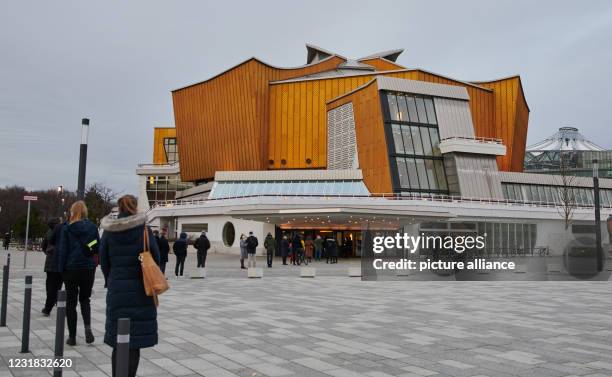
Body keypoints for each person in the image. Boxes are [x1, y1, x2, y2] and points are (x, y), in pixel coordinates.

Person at [99, 195, 160, 377]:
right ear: (135, 206)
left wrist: (112, 280)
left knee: (119, 339)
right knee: (133, 342)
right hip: (141, 289)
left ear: (119, 208)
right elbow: (155, 257)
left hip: (117, 288)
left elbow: (104, 261)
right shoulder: (143, 230)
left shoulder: (110, 231)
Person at [56, 201, 99, 346]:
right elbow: (96, 244)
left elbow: (62, 250)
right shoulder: (93, 227)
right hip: (88, 267)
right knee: (85, 300)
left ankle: (72, 336)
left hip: (71, 268)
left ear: (72, 212)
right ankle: (88, 329)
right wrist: (88, 246)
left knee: (71, 302)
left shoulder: (66, 228)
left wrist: (60, 270)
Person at [41, 218, 63, 316]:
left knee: (50, 283)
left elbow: (43, 245)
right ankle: (55, 302)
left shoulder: (49, 231)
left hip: (50, 259)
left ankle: (50, 303)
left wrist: (48, 252)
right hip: (61, 260)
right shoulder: (63, 230)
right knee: (58, 283)